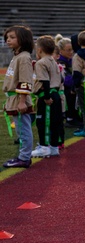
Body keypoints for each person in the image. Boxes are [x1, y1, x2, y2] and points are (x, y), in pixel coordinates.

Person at [3, 25, 36, 168]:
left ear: (22, 40)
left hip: (19, 99)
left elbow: (25, 80)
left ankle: (24, 157)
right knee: (20, 129)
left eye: (12, 37)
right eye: (7, 38)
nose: (8, 40)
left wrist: (22, 101)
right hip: (14, 98)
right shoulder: (17, 56)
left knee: (23, 129)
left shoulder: (23, 57)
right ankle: (23, 156)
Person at [30, 35, 64, 158]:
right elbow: (61, 79)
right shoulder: (54, 62)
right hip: (55, 94)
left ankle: (44, 147)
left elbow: (45, 81)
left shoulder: (41, 63)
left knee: (43, 122)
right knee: (55, 122)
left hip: (47, 95)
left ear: (39, 50)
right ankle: (54, 147)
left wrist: (46, 97)